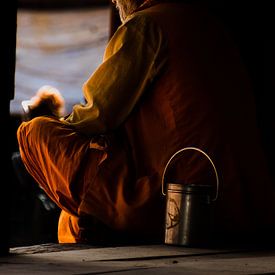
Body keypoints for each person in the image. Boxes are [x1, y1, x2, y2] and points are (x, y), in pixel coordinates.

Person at [16, 0, 275, 245]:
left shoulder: (146, 25)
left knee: (35, 132)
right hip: (250, 202)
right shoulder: (210, 24)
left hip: (183, 201)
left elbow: (96, 115)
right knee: (73, 217)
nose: (116, 5)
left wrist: (55, 123)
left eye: (117, 2)